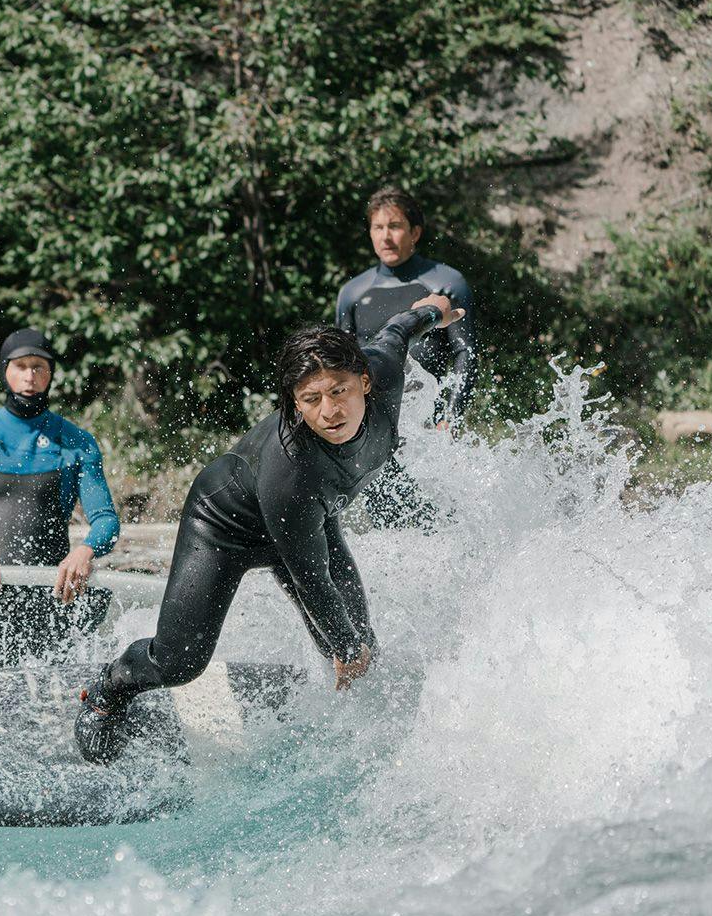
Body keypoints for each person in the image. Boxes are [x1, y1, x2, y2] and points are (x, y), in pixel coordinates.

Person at [73, 298, 463, 764]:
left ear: (364, 381)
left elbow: (399, 327)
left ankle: (363, 748)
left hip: (311, 521)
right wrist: (343, 647)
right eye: (311, 400)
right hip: (224, 527)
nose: (330, 412)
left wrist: (435, 311)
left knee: (362, 643)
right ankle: (108, 688)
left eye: (339, 391)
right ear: (296, 403)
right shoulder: (291, 469)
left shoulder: (384, 371)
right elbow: (310, 576)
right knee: (179, 663)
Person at [0, 329, 120, 606]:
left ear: (50, 374)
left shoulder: (78, 442)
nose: (29, 376)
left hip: (55, 596)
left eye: (38, 367)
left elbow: (106, 520)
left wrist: (85, 551)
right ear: (5, 371)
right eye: (20, 366)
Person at [336, 187, 475, 528]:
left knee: (441, 521)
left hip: (427, 424)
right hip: (376, 427)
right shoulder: (353, 293)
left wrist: (449, 415)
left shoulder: (446, 283)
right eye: (378, 228)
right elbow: (342, 369)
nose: (386, 236)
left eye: (395, 226)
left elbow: (465, 354)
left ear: (415, 232)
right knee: (388, 524)